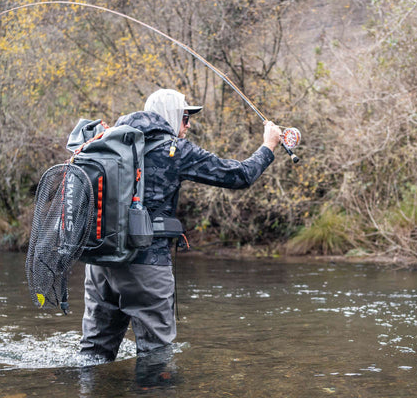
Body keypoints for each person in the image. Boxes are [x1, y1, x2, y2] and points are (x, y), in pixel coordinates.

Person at [78, 88, 282, 364]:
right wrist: (268, 147)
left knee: (94, 354)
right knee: (156, 356)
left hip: (100, 264)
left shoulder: (109, 141)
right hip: (147, 265)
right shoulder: (173, 149)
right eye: (185, 117)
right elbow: (239, 176)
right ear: (172, 116)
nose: (188, 125)